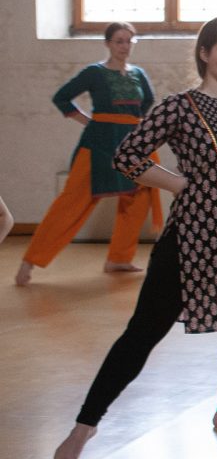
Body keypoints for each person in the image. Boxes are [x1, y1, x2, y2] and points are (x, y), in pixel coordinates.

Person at [52, 17, 217, 459]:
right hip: (194, 235)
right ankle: (85, 425)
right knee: (144, 332)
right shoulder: (179, 107)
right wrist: (181, 185)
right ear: (205, 53)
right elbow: (127, 156)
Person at [15, 22, 161, 285]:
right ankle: (30, 261)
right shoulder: (94, 73)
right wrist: (89, 120)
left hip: (131, 145)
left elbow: (147, 103)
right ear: (107, 43)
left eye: (129, 41)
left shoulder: (138, 74)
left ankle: (119, 258)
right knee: (72, 201)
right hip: (98, 144)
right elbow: (62, 97)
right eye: (119, 41)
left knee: (137, 199)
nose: (125, 46)